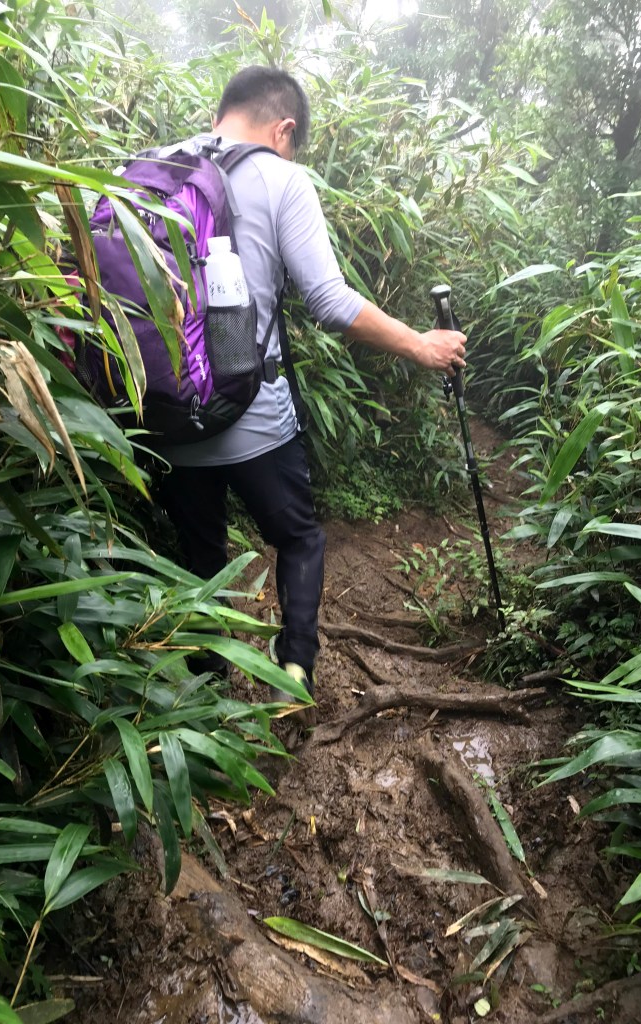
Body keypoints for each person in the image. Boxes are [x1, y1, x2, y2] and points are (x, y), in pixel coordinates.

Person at [155, 66, 467, 718]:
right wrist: (420, 345)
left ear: (220, 113)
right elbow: (328, 300)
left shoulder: (151, 170)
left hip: (165, 414)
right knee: (299, 539)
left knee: (201, 554)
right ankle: (292, 675)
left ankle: (205, 691)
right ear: (284, 128)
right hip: (251, 416)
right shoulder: (282, 178)